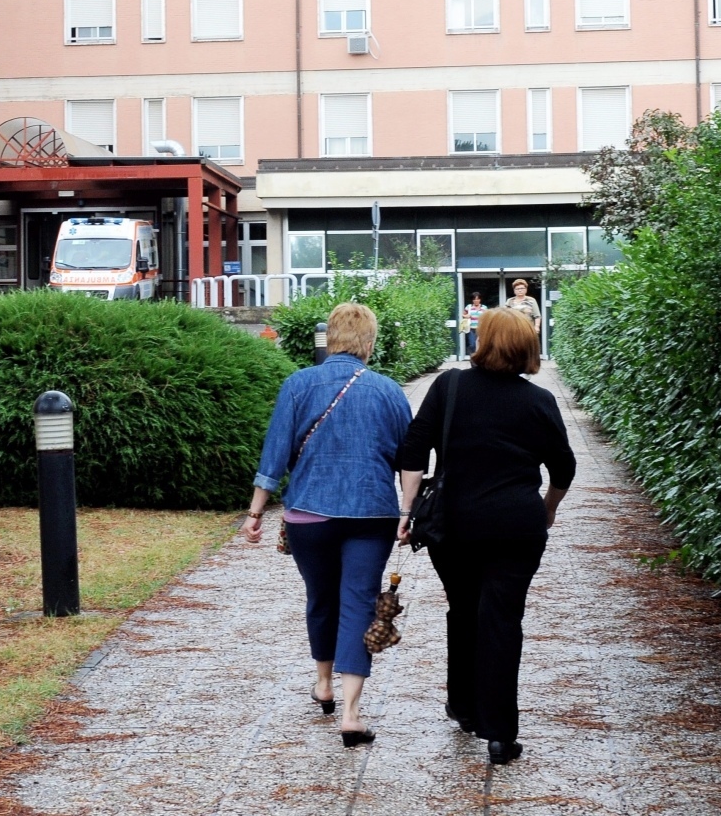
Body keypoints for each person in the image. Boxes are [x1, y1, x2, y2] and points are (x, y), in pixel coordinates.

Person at [395, 308, 575, 765]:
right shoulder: (538, 401)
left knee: (464, 607)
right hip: (516, 525)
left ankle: (463, 704)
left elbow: (413, 449)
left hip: (454, 524)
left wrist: (407, 510)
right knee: (501, 618)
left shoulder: (450, 386)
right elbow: (563, 467)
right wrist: (547, 508)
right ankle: (499, 732)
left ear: (483, 339)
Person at [242, 302, 412, 748]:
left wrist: (256, 512)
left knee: (320, 598)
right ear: (369, 342)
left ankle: (323, 684)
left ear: (330, 338)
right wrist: (409, 509)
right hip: (372, 513)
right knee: (358, 602)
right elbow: (409, 460)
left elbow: (275, 454)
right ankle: (352, 714)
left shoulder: (299, 384)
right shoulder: (389, 391)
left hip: (309, 515)